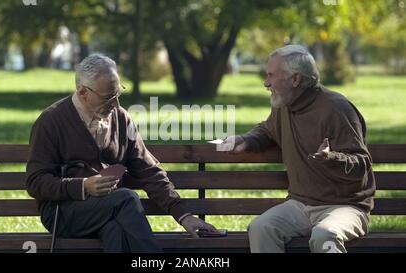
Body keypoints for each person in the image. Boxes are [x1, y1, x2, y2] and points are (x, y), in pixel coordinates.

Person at [26, 54, 217, 253]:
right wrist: (83, 186)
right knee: (126, 198)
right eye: (109, 97)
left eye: (118, 93)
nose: (116, 104)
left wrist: (183, 215)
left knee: (115, 231)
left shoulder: (121, 119)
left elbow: (148, 170)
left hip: (112, 211)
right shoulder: (50, 121)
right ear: (83, 92)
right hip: (64, 212)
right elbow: (35, 182)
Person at [218, 45, 375, 253]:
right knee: (260, 228)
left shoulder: (337, 109)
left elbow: (362, 165)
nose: (266, 83)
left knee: (325, 235)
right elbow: (267, 130)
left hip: (345, 207)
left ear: (295, 80)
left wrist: (332, 158)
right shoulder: (284, 105)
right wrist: (244, 141)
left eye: (271, 76)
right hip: (300, 205)